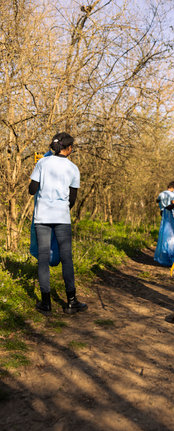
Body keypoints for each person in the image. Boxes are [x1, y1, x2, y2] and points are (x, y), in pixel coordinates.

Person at [29, 132, 87, 315]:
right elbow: (73, 199)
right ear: (69, 148)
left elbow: (32, 190)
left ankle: (46, 303)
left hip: (42, 217)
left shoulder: (42, 163)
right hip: (61, 217)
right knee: (66, 258)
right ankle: (71, 302)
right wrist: (61, 208)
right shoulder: (73, 168)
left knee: (43, 259)